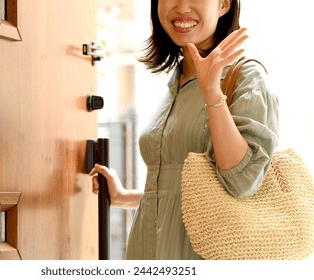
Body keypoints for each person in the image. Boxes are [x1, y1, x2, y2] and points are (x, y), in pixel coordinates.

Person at [89, 0, 279, 259]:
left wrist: (212, 92)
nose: (181, 6)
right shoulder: (175, 81)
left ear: (224, 4)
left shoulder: (247, 78)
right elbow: (185, 189)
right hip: (147, 250)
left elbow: (242, 181)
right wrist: (123, 197)